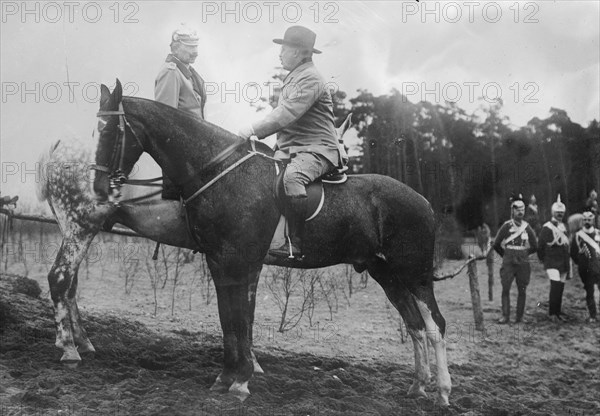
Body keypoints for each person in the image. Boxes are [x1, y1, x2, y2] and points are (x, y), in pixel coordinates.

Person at [238, 26, 343, 259]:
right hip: (294, 149)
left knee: (292, 177)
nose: (280, 53)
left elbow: (285, 113)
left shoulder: (311, 78)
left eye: (284, 48)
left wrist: (252, 129)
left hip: (318, 150)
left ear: (298, 52)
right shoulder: (296, 75)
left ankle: (294, 242)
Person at [155, 25, 207, 199]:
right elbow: (165, 118)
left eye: (196, 46)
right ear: (175, 47)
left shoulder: (186, 71)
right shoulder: (171, 72)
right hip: (180, 153)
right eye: (190, 47)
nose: (196, 52)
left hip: (194, 147)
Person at [493, 194, 538, 324]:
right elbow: (496, 244)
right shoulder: (506, 226)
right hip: (508, 262)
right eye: (517, 209)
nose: (520, 212)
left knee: (522, 289)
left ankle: (520, 317)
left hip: (523, 263)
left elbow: (535, 246)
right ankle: (505, 316)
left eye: (522, 209)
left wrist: (524, 253)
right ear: (512, 211)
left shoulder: (527, 227)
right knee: (505, 288)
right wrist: (506, 255)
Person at [537, 195, 571, 323]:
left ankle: (557, 312)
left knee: (560, 286)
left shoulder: (564, 227)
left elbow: (566, 245)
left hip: (563, 261)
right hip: (551, 261)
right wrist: (543, 259)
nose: (560, 215)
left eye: (561, 213)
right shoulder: (547, 227)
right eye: (558, 213)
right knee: (555, 285)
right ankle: (552, 313)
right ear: (553, 213)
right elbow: (540, 246)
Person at [570, 208, 600, 323]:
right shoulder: (578, 235)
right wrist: (581, 263)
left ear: (593, 221)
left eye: (589, 219)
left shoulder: (598, 233)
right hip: (585, 268)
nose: (587, 222)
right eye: (585, 220)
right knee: (589, 292)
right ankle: (592, 315)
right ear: (582, 221)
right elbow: (573, 252)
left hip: (598, 267)